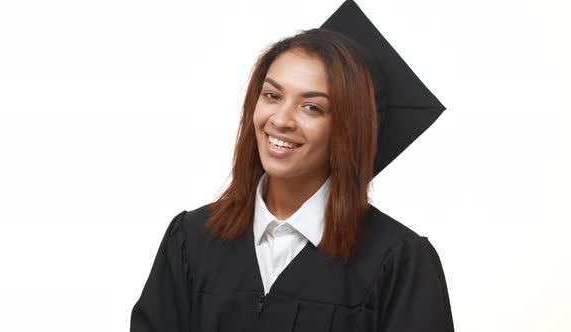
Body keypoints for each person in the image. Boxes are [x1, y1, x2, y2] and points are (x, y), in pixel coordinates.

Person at [130, 1, 454, 331]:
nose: (281, 120)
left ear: (350, 128)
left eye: (312, 107)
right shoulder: (191, 239)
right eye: (272, 95)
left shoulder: (398, 261)